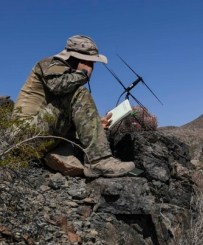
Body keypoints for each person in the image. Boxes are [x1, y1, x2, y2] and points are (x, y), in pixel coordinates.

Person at [12, 35, 135, 177]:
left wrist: (93, 124)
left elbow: (59, 116)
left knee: (78, 117)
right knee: (79, 93)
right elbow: (58, 86)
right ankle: (99, 161)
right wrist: (82, 73)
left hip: (38, 135)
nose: (92, 67)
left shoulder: (65, 74)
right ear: (77, 58)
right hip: (23, 136)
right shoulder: (48, 64)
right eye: (89, 62)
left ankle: (57, 155)